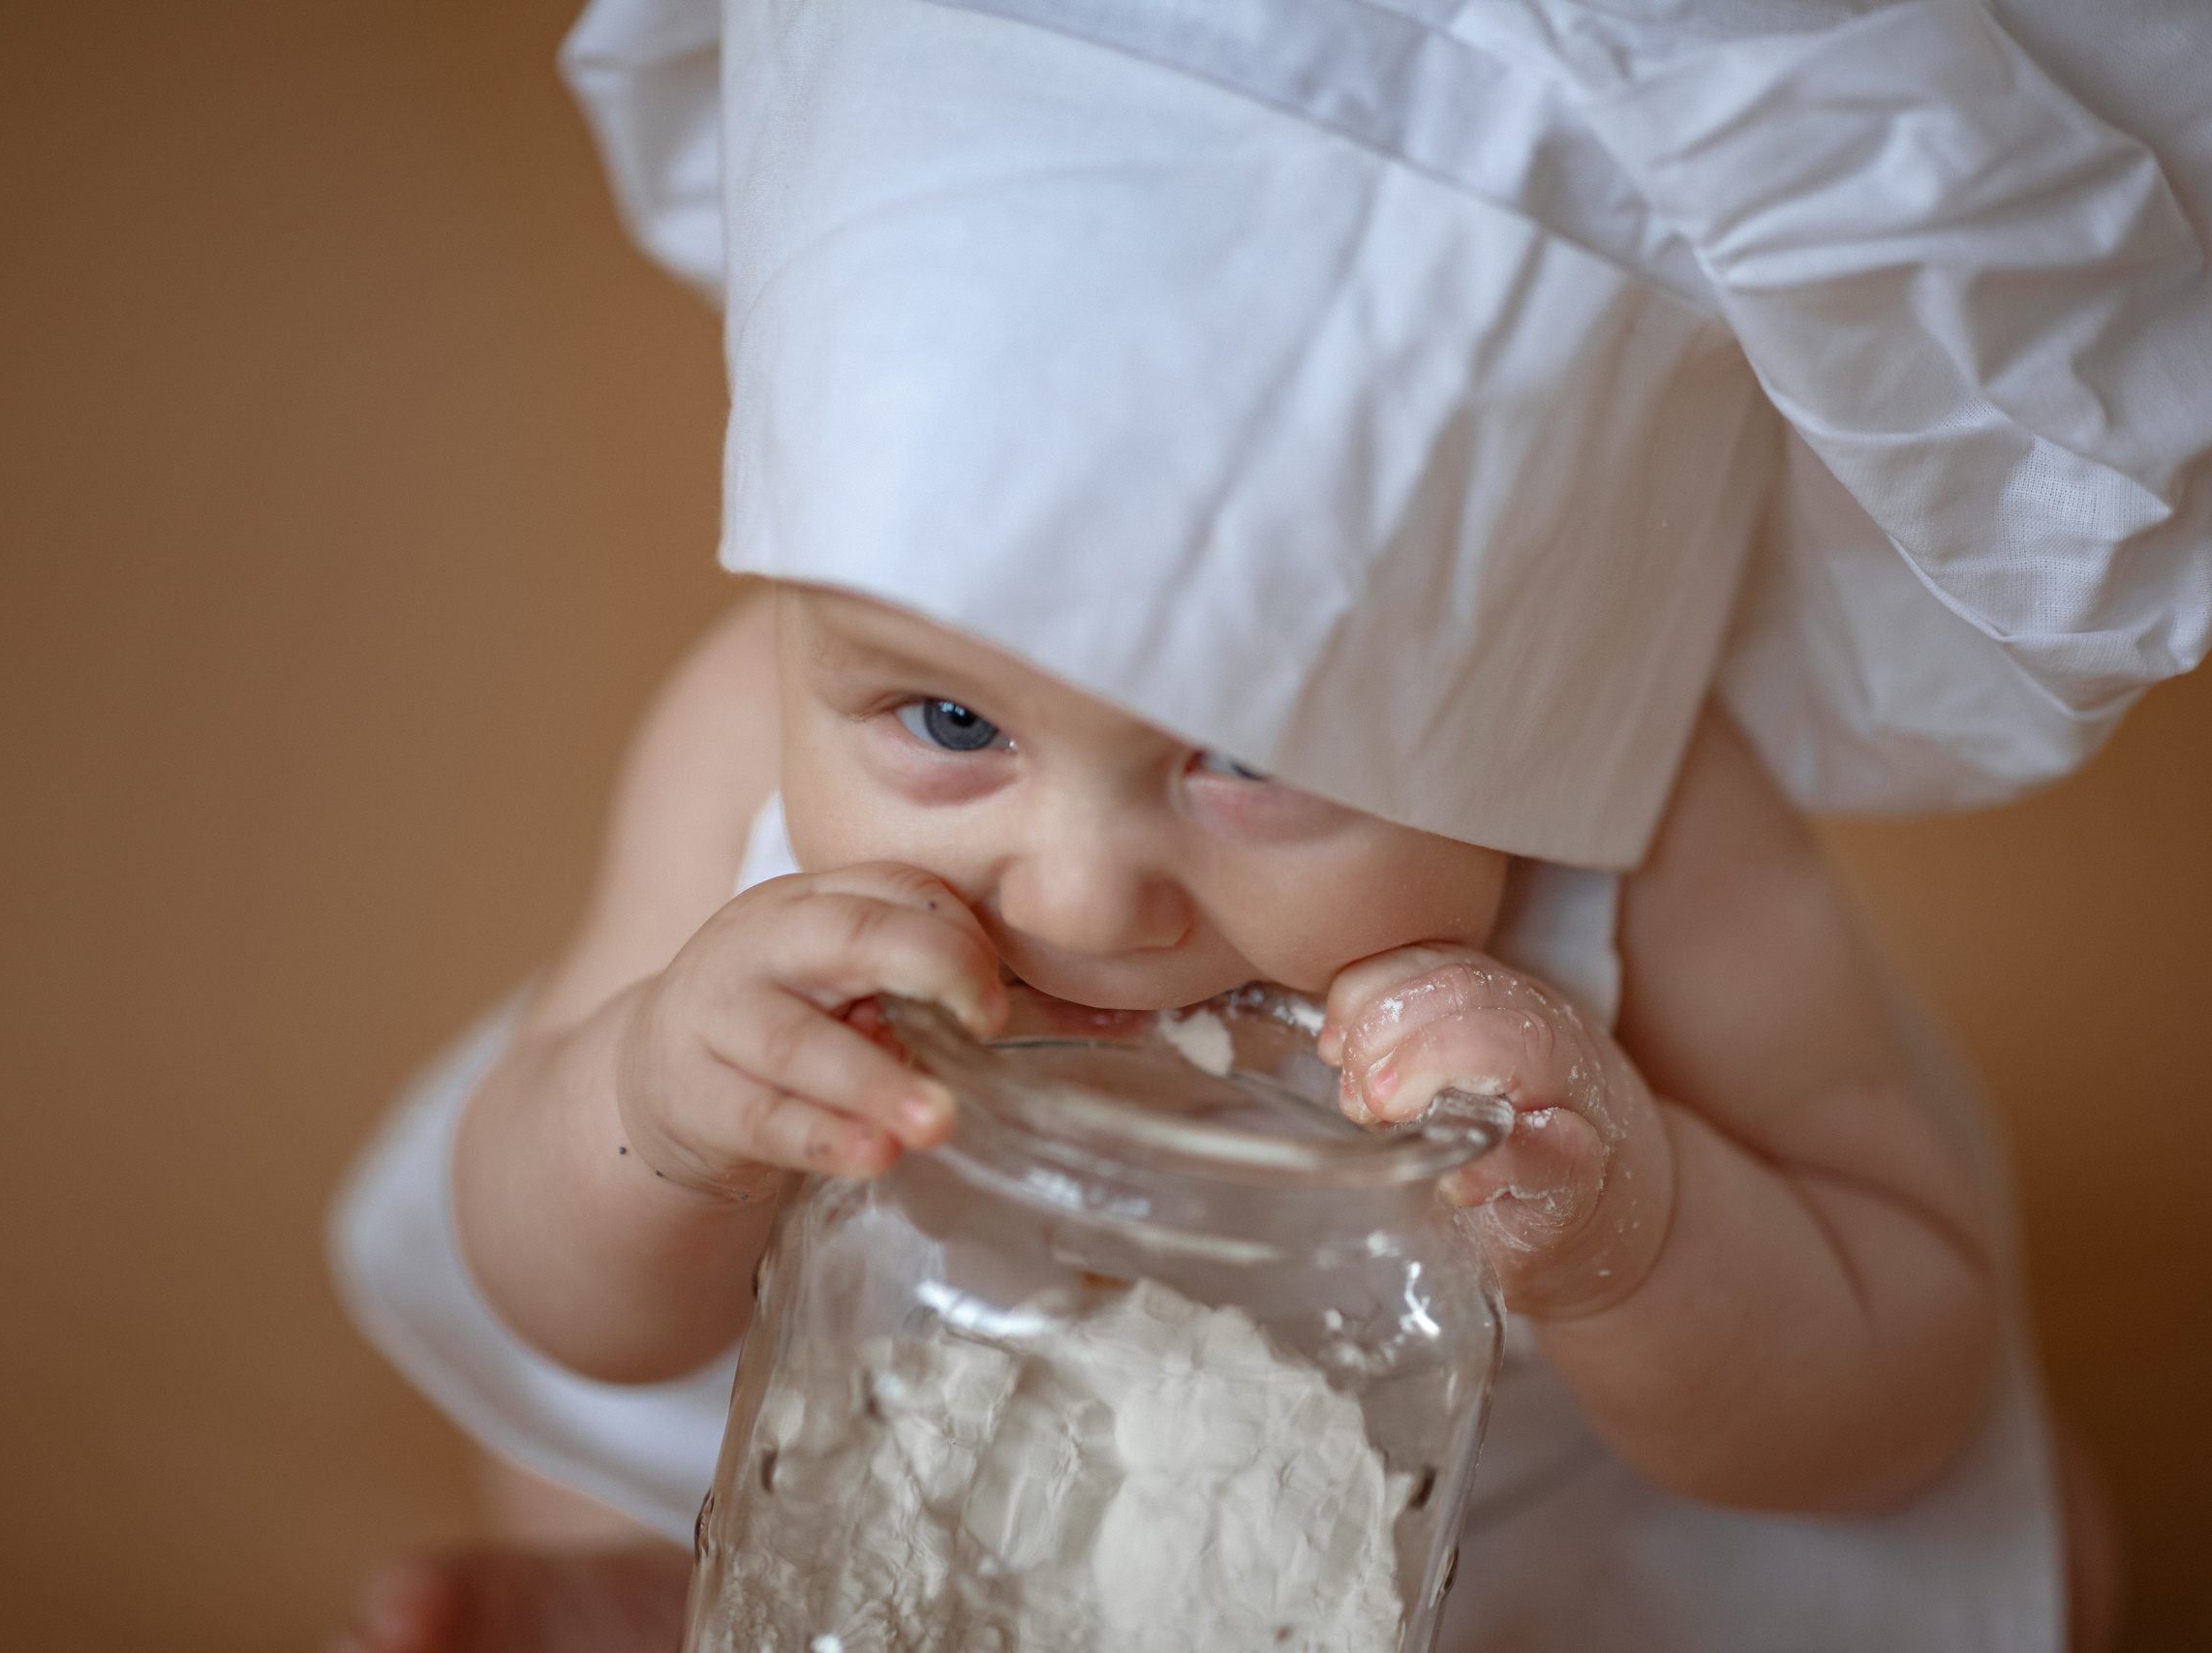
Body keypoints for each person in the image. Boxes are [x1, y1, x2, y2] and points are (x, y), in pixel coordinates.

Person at [331, 0, 2208, 1647]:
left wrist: (1628, 1230)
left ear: (1542, 699)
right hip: (870, 1450)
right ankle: (677, 1582)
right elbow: (556, 1292)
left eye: (1244, 755)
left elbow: (1891, 1373)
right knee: (579, 1442)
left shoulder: (1649, 825)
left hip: (1455, 1554)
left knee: (2016, 1563)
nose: (1075, 892)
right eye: (949, 721)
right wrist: (660, 1106)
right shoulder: (743, 725)